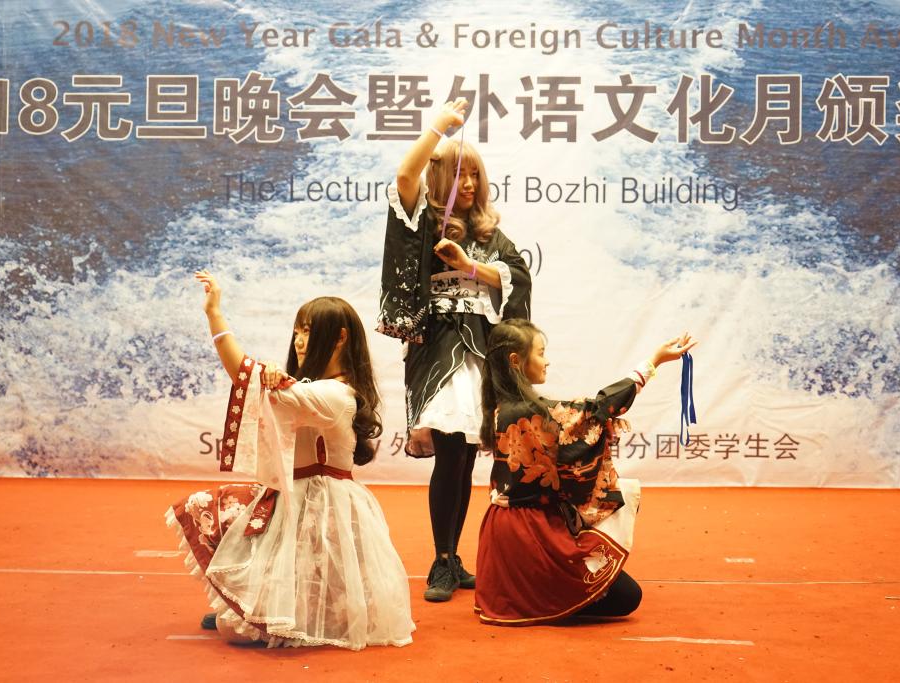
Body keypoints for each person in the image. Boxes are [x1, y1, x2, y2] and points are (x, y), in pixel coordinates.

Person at [166, 270, 415, 649]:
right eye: (297, 331)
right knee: (213, 508)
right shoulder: (317, 389)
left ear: (340, 338)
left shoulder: (336, 395)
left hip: (318, 506)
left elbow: (245, 375)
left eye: (308, 331)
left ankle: (267, 616)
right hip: (299, 498)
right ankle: (260, 611)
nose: (298, 340)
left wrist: (215, 315)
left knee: (236, 629)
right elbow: (264, 389)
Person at [377, 99, 532, 602]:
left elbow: (517, 276)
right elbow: (405, 176)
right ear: (443, 178)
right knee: (448, 450)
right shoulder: (424, 222)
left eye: (475, 175)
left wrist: (470, 267)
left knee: (464, 457)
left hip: (480, 351)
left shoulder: (490, 233)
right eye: (461, 174)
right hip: (441, 348)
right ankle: (441, 561)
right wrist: (439, 127)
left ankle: (453, 557)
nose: (469, 184)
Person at [474, 319, 697, 625]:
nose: (547, 361)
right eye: (541, 353)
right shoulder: (529, 411)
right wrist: (653, 362)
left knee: (618, 587)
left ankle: (530, 592)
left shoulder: (503, 407)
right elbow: (598, 409)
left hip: (507, 530)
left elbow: (576, 434)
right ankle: (545, 597)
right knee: (627, 596)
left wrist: (601, 427)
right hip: (531, 536)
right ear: (516, 360)